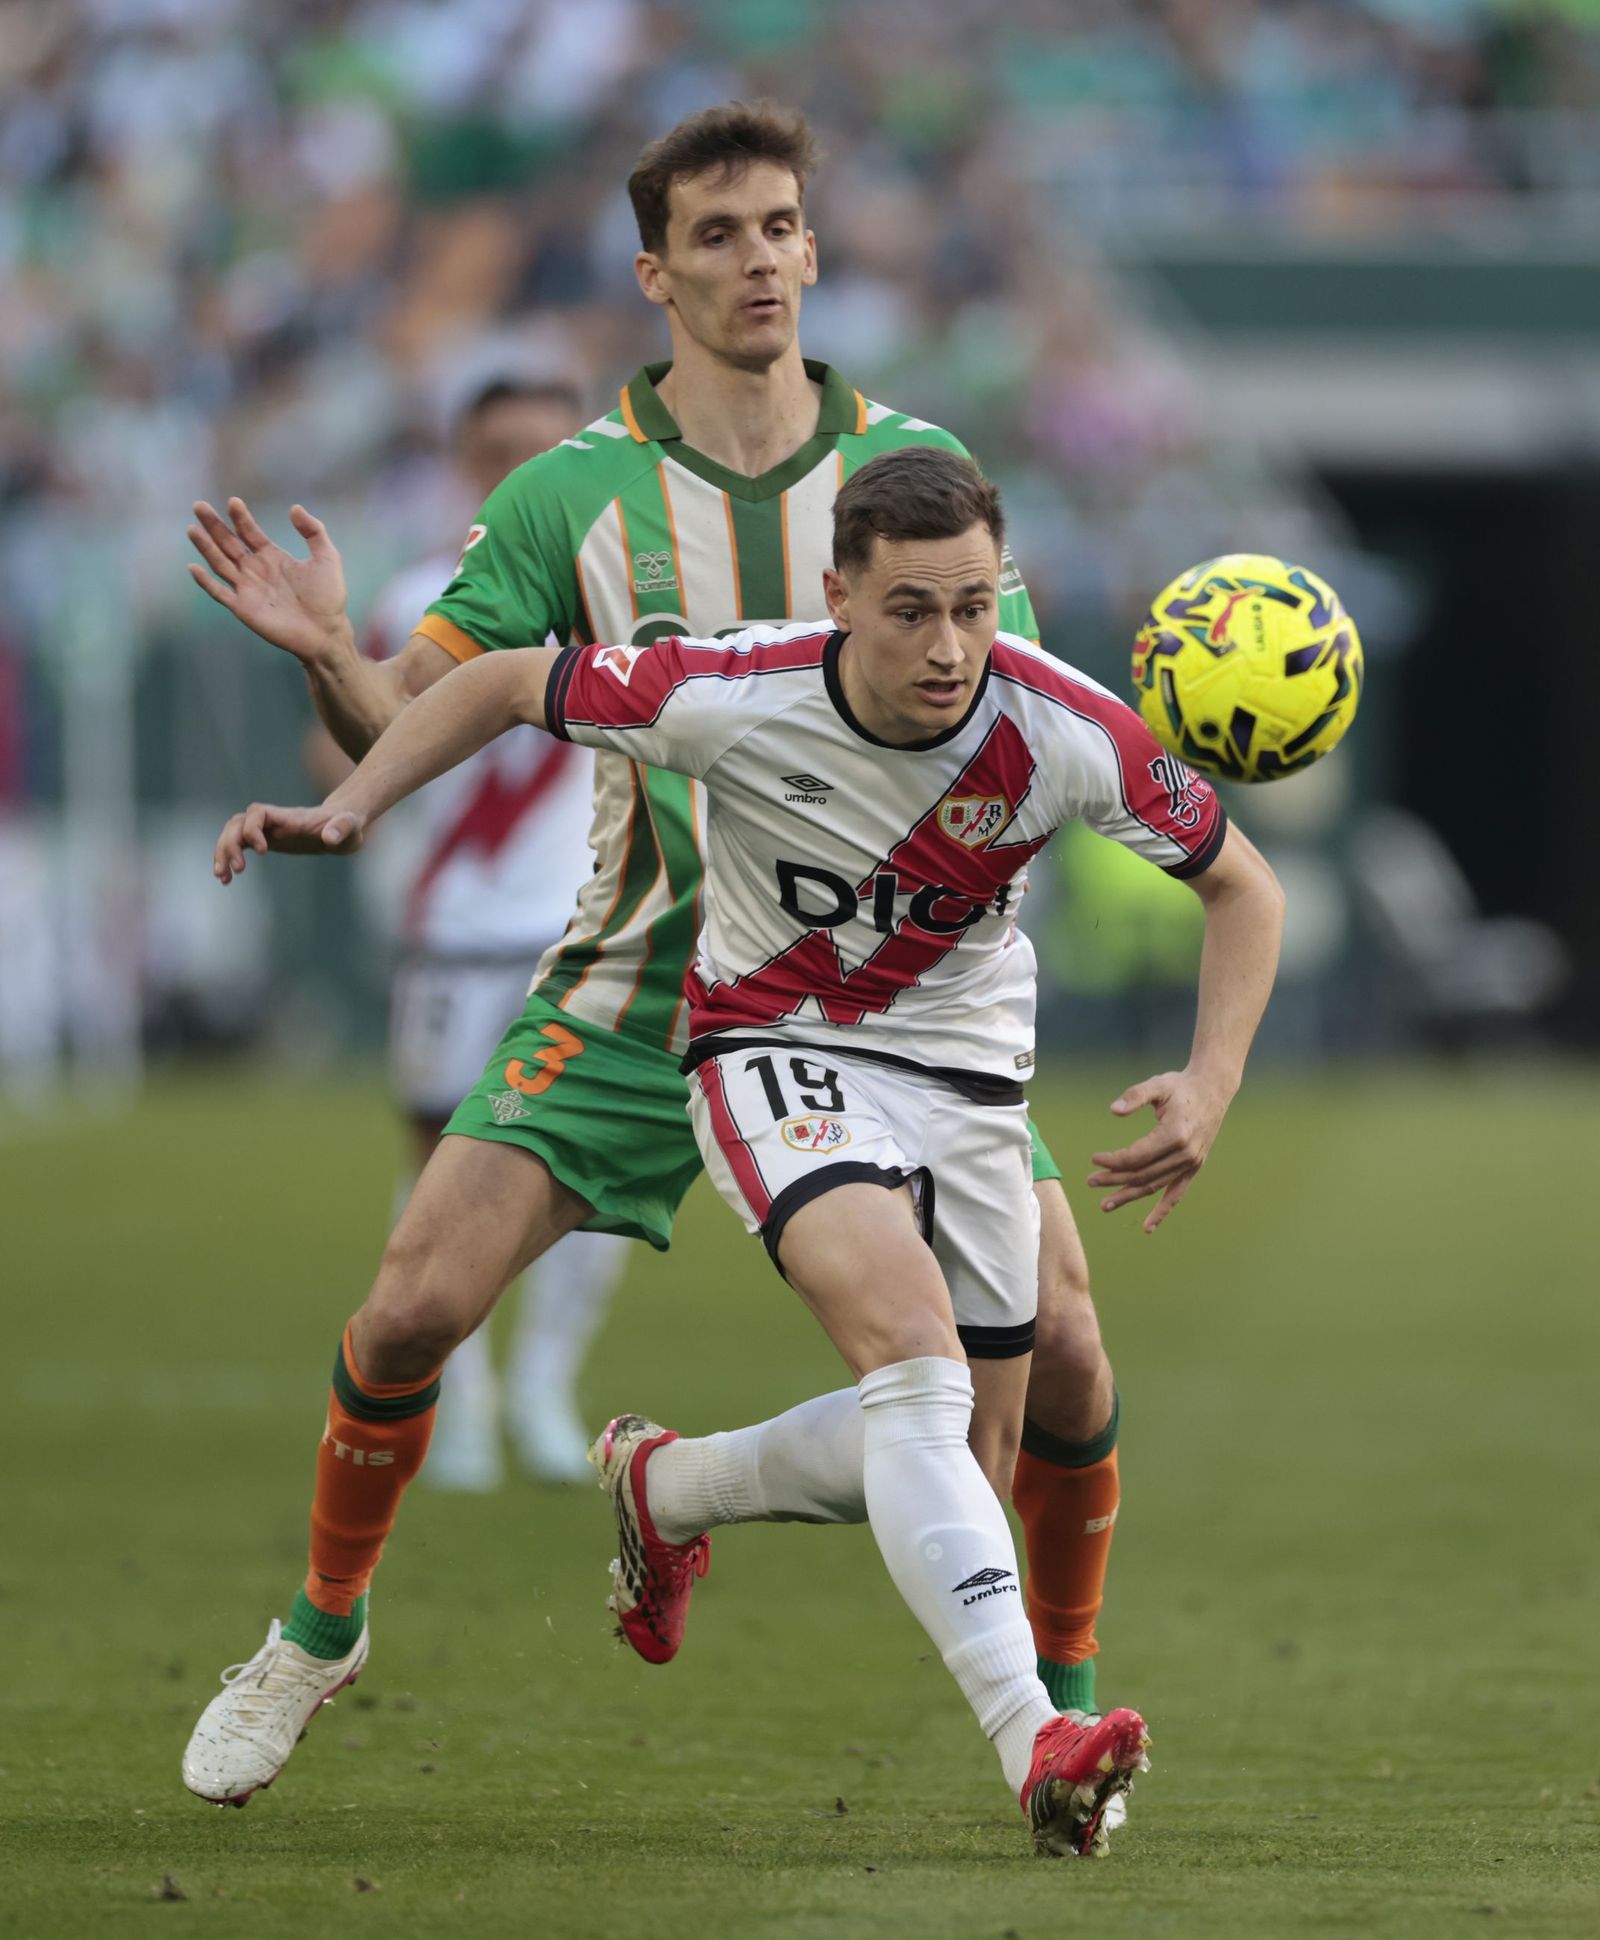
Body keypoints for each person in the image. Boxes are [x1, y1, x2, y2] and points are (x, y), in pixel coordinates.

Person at [179, 100, 1126, 1817]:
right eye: (717, 235)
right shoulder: (576, 497)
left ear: (816, 248)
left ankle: (1062, 1713)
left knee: (1056, 1359)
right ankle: (317, 1634)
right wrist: (332, 656)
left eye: (779, 225)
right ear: (654, 273)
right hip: (637, 980)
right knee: (407, 1312)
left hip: (883, 1002)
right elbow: (416, 709)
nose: (757, 258)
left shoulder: (918, 482)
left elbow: (1015, 725)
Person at [204, 446, 1285, 1854]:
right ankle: (1040, 1740)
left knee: (967, 1440)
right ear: (838, 594)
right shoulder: (732, 688)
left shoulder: (1064, 726)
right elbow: (499, 680)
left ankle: (675, 1486)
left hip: (967, 1083)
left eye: (973, 606)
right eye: (910, 610)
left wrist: (1210, 1083)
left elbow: (1240, 884)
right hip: (777, 1051)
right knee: (909, 1357)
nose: (950, 646)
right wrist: (358, 807)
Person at [311, 376, 629, 1489]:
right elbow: (343, 753)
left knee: (582, 1163)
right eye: (495, 449)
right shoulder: (413, 601)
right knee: (440, 1157)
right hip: (447, 927)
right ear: (461, 457)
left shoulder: (626, 594)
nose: (515, 469)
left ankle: (544, 1384)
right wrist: (325, 665)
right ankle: (467, 1390)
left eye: (538, 449)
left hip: (587, 924)